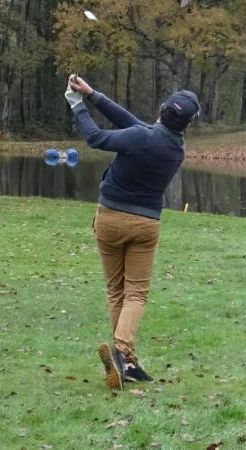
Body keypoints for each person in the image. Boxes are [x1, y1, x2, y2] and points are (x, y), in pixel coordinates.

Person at [64, 75, 200, 389]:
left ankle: (122, 353)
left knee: (117, 291)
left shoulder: (143, 137)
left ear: (163, 108)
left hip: (110, 219)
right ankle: (127, 361)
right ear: (187, 123)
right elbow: (135, 124)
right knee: (136, 293)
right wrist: (93, 94)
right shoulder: (175, 147)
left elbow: (96, 138)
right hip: (145, 225)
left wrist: (76, 104)